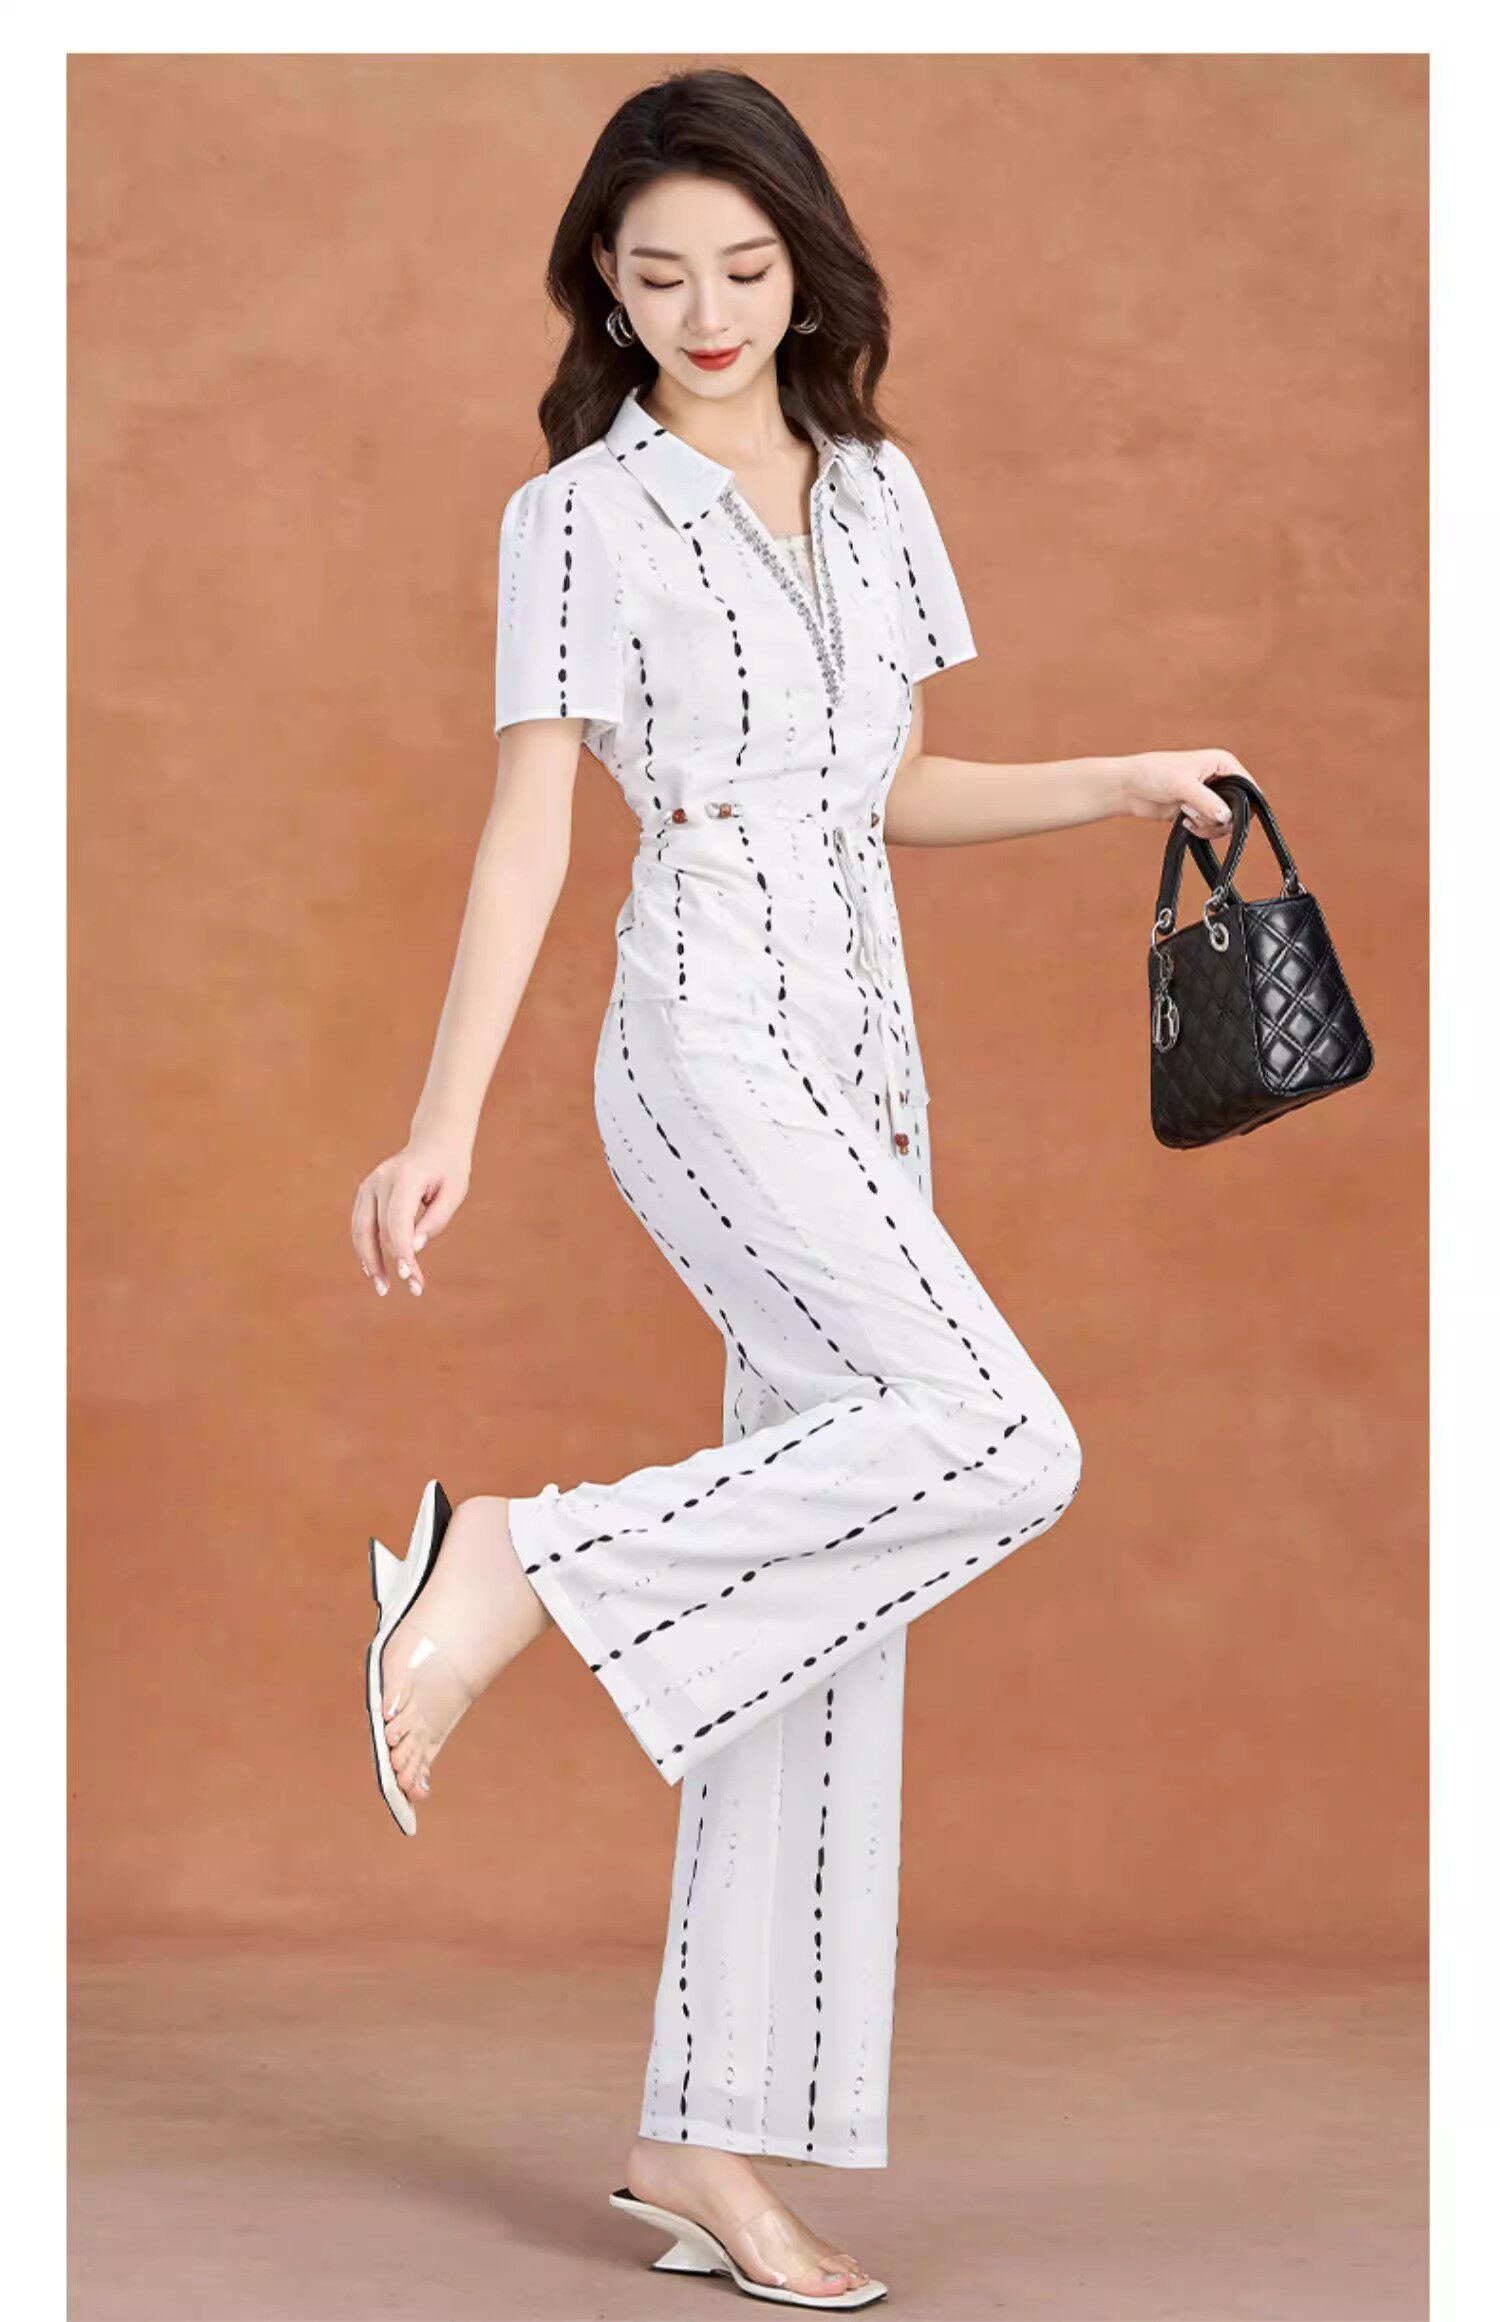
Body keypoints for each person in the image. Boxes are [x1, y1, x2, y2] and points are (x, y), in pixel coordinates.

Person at [349, 66, 1246, 2311]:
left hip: (869, 1048)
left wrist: (1123, 778)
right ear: (604, 287)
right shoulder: (576, 517)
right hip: (709, 1034)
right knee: (999, 1437)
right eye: (658, 275)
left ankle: (705, 2142)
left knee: (833, 1599)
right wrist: (446, 1120)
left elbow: (890, 791)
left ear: (804, 266)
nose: (707, 311)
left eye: (743, 267)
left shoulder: (878, 489)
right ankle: (514, 1558)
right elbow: (534, 826)